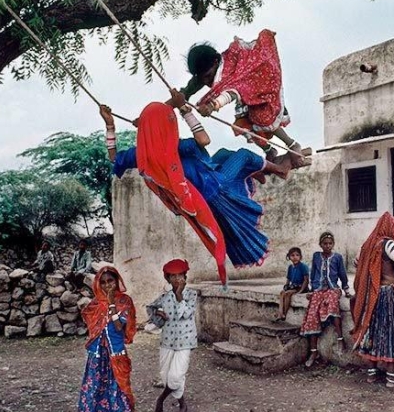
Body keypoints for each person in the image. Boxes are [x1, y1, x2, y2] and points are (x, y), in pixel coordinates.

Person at [101, 102, 291, 279]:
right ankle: (280, 170)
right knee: (243, 155)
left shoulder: (141, 155)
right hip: (217, 187)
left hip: (202, 191)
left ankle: (254, 173)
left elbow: (114, 158)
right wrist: (185, 109)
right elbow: (204, 140)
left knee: (224, 153)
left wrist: (110, 125)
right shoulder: (179, 146)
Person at [179, 32, 310, 166]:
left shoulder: (230, 69)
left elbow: (231, 93)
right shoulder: (209, 71)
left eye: (208, 76)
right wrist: (184, 93)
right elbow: (196, 82)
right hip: (246, 95)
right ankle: (270, 151)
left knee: (263, 118)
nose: (206, 82)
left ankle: (293, 145)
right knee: (242, 126)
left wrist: (212, 106)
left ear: (216, 62)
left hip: (260, 86)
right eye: (203, 79)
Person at [352, 213, 394, 387]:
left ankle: (371, 375)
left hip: (373, 296)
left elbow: (356, 263)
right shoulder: (388, 244)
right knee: (391, 334)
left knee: (372, 333)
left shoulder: (369, 245)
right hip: (388, 295)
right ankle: (391, 379)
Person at [74, 266, 136, 412]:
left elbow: (118, 328)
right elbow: (91, 326)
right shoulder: (94, 305)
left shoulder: (125, 302)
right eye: (103, 282)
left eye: (111, 281)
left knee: (117, 389)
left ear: (117, 281)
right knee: (93, 388)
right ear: (98, 284)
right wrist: (105, 304)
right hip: (97, 354)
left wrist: (111, 304)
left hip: (116, 353)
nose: (108, 285)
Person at [149, 259, 197, 412]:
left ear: (185, 277)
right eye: (173, 276)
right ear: (167, 279)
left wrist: (179, 295)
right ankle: (183, 404)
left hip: (185, 341)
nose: (177, 279)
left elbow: (186, 314)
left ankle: (161, 399)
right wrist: (159, 316)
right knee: (165, 376)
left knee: (176, 376)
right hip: (167, 341)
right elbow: (151, 308)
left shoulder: (191, 295)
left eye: (180, 275)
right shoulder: (164, 297)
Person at [300, 231, 351, 367]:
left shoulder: (338, 257)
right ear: (320, 244)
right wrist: (312, 290)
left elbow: (342, 275)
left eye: (330, 243)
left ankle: (340, 339)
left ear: (333, 244)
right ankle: (313, 351)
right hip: (318, 290)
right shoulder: (316, 256)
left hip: (333, 289)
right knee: (312, 315)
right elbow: (313, 273)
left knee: (333, 306)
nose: (327, 246)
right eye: (325, 243)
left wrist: (346, 289)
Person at [276, 247, 309, 322]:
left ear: (300, 257)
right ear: (289, 257)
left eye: (297, 255)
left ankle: (284, 313)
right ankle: (280, 312)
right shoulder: (290, 267)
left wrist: (301, 290)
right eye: (292, 255)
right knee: (282, 293)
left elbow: (306, 280)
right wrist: (286, 286)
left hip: (301, 287)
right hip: (293, 286)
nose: (295, 257)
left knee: (287, 294)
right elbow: (289, 279)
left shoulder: (303, 266)